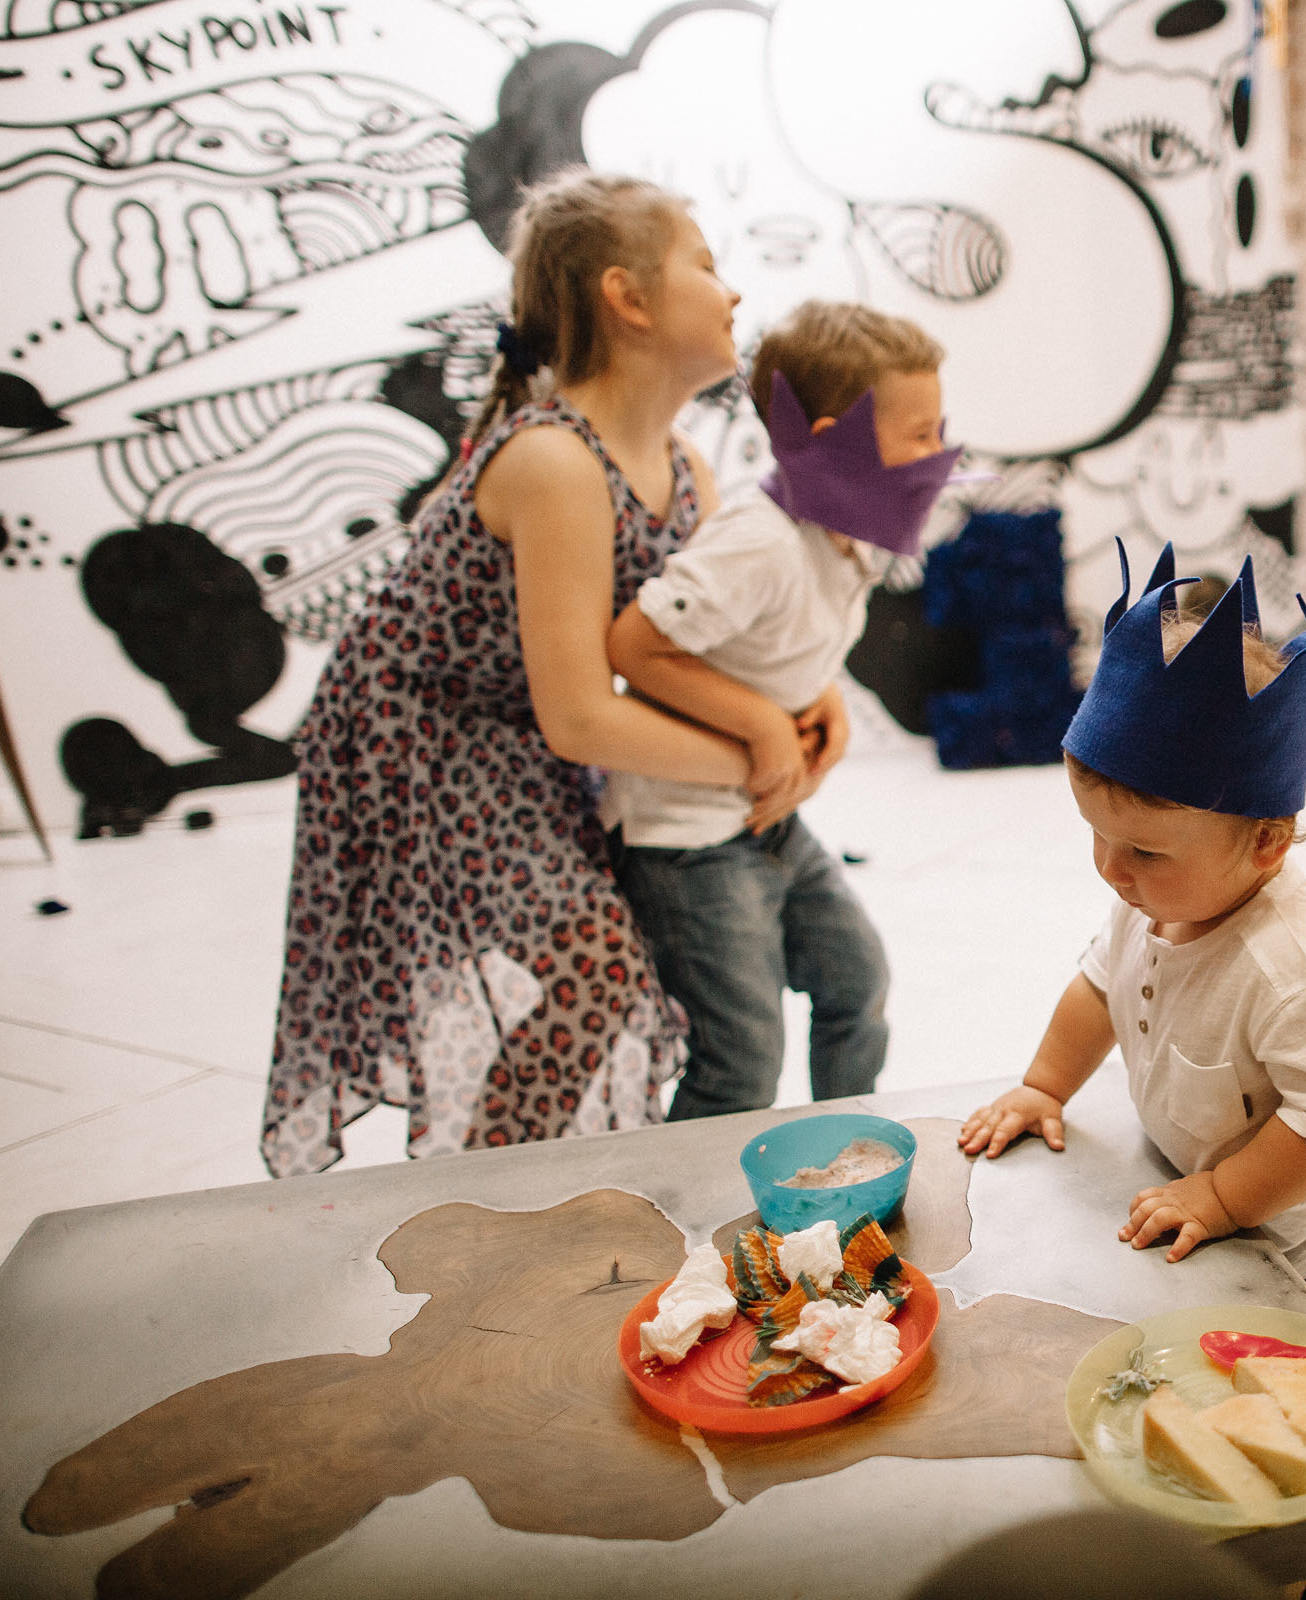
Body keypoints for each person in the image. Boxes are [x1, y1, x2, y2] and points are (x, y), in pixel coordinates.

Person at [263, 170, 797, 1175]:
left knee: (617, 961)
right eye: (707, 264)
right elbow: (582, 717)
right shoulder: (555, 459)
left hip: (524, 732)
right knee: (594, 961)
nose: (732, 294)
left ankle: (515, 1166)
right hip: (426, 733)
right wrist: (750, 752)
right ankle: (501, 1187)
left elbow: (695, 656)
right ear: (628, 299)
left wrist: (800, 718)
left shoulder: (688, 469)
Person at [956, 547, 1306, 1360]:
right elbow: (1100, 989)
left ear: (1268, 843)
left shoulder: (1296, 973)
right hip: (1223, 1194)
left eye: (1145, 851)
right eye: (1098, 835)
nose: (1112, 869)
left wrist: (1222, 1196)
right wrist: (1043, 1086)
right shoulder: (1157, 894)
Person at [604, 303, 958, 1118]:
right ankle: (688, 1221)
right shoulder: (758, 541)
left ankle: (846, 1146)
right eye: (920, 432)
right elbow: (634, 646)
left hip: (768, 824)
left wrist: (815, 693)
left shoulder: (846, 534)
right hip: (689, 844)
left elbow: (780, 640)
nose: (938, 455)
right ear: (837, 439)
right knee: (742, 1061)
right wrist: (765, 725)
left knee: (856, 981)